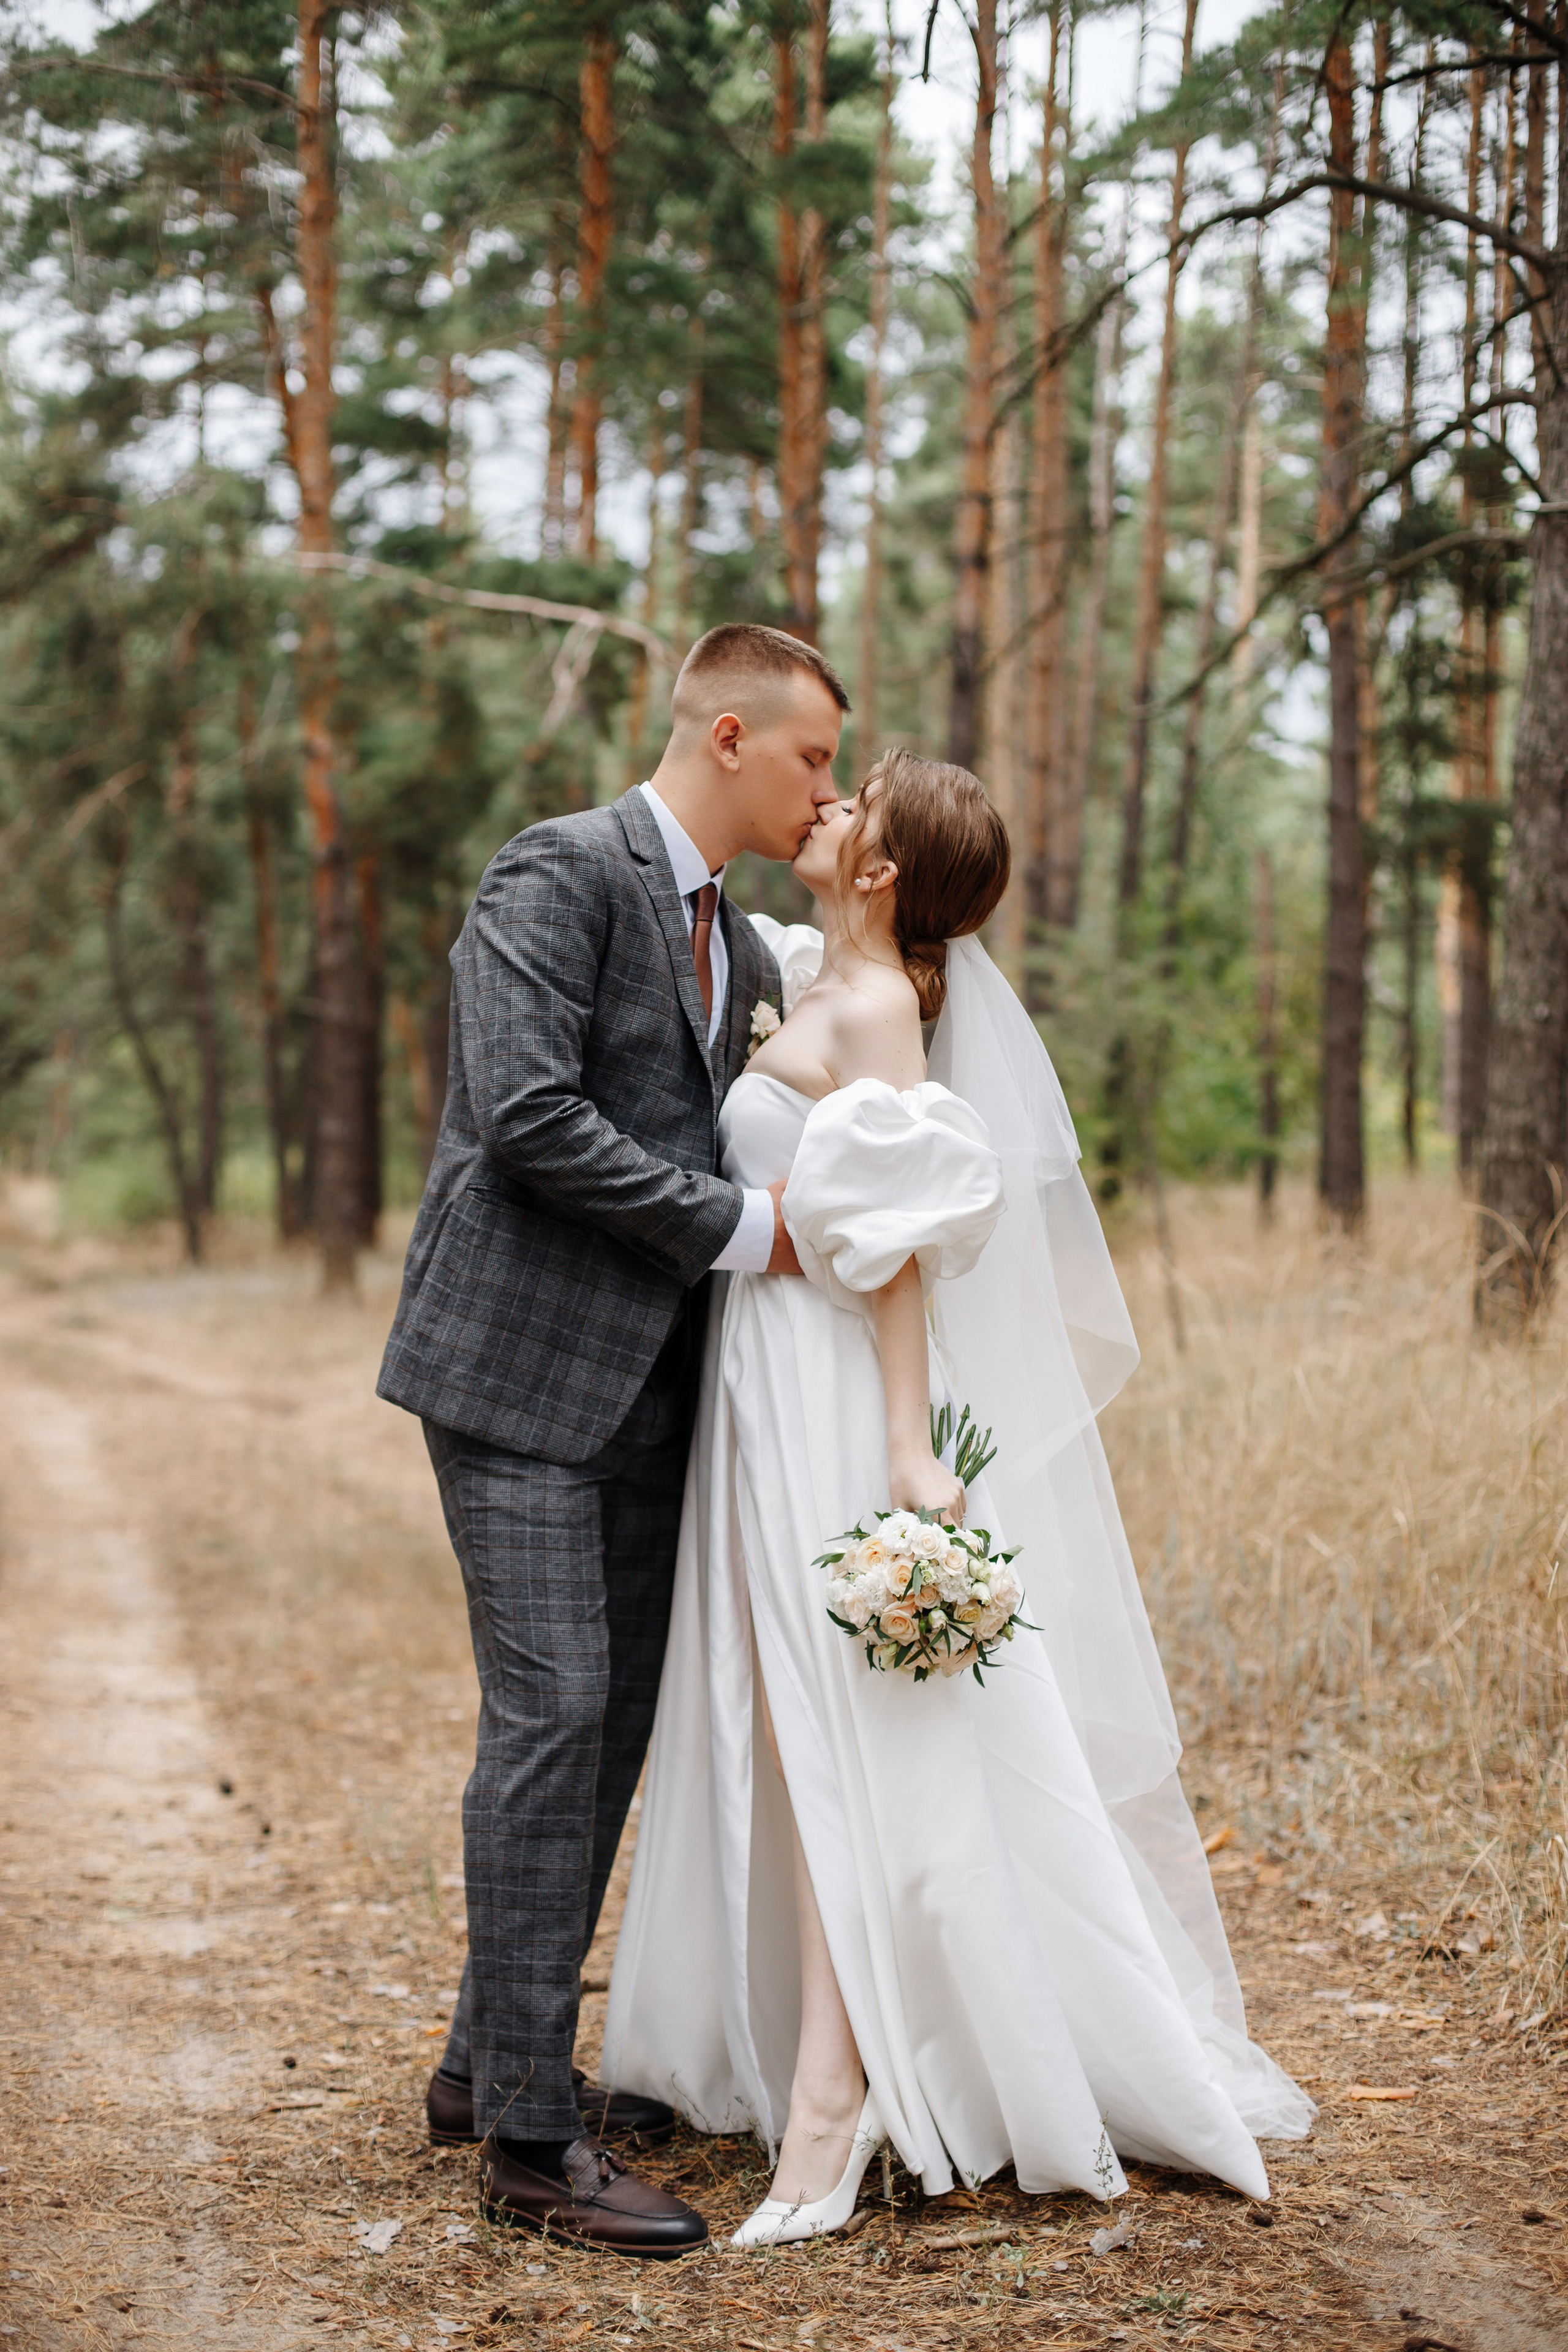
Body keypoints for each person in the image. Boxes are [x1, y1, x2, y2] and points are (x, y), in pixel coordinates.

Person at [602, 748, 1314, 2246]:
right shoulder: (811, 970)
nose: (829, 808)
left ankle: (835, 2085)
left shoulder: (873, 1014)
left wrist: (909, 1445)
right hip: (755, 1381)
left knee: (830, 1726)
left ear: (878, 871)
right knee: (787, 1728)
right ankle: (817, 2045)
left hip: (827, 1389)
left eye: (851, 802)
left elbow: (903, 1247)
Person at [376, 623, 847, 2258]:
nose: (827, 791)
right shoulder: (558, 870)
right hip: (514, 1372)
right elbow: (525, 1114)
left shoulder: (753, 945)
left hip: (659, 1398)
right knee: (555, 1720)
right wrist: (747, 1230)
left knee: (612, 1735)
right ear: (730, 734)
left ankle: (477, 2067)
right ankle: (526, 2138)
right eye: (813, 761)